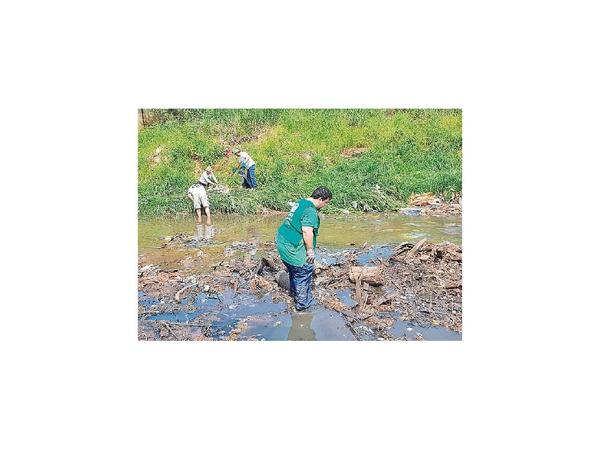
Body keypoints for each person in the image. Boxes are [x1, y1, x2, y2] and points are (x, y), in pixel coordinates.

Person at [275, 187, 332, 311]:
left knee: (292, 270)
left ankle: (294, 293)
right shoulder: (310, 211)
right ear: (320, 199)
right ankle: (302, 307)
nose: (325, 205)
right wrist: (310, 251)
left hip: (282, 240)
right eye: (326, 202)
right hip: (290, 246)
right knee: (304, 270)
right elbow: (307, 231)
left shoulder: (301, 202)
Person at [187, 166, 218, 239]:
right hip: (202, 192)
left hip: (196, 194)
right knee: (206, 206)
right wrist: (215, 183)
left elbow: (189, 195)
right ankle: (209, 218)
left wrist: (194, 200)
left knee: (198, 208)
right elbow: (207, 181)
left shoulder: (191, 187)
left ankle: (200, 218)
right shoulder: (201, 186)